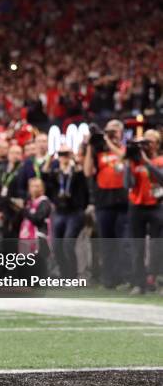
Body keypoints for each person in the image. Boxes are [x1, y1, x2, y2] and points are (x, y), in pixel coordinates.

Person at [83, 120, 129, 288]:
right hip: (104, 202)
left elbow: (123, 158)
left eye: (115, 131)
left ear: (122, 133)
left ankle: (125, 278)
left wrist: (109, 141)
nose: (111, 133)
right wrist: (90, 146)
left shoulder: (127, 148)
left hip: (123, 202)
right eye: (108, 131)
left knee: (123, 243)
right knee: (107, 243)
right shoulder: (99, 152)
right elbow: (88, 171)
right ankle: (109, 279)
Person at [124, 129, 163, 294]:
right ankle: (139, 282)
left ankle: (157, 279)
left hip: (156, 205)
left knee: (157, 246)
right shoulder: (134, 162)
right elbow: (128, 184)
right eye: (144, 142)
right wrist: (128, 164)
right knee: (137, 246)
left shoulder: (160, 160)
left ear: (157, 144)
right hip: (137, 206)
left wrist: (147, 162)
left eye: (150, 141)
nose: (146, 145)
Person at [43, 145, 89, 279]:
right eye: (61, 154)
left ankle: (73, 276)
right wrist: (49, 159)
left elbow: (83, 179)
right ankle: (64, 275)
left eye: (66, 153)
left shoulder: (76, 171)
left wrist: (74, 159)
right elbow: (44, 176)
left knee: (68, 244)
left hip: (74, 212)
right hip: (60, 211)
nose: (64, 156)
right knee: (57, 246)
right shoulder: (57, 172)